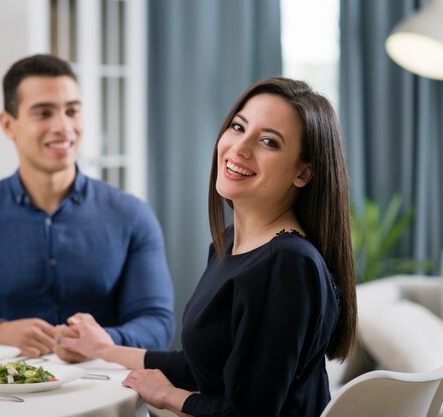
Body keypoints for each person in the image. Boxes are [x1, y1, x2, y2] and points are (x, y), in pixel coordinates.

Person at [56, 78, 357, 416]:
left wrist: (169, 396)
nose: (240, 148)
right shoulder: (228, 243)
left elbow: (248, 414)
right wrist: (104, 349)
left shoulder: (287, 265)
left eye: (268, 141)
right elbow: (202, 365)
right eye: (238, 127)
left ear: (303, 173)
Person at [0, 54, 175, 358]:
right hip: (5, 399)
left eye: (72, 111)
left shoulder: (132, 215)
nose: (63, 126)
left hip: (111, 398)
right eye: (43, 113)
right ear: (8, 124)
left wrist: (101, 343)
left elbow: (158, 324)